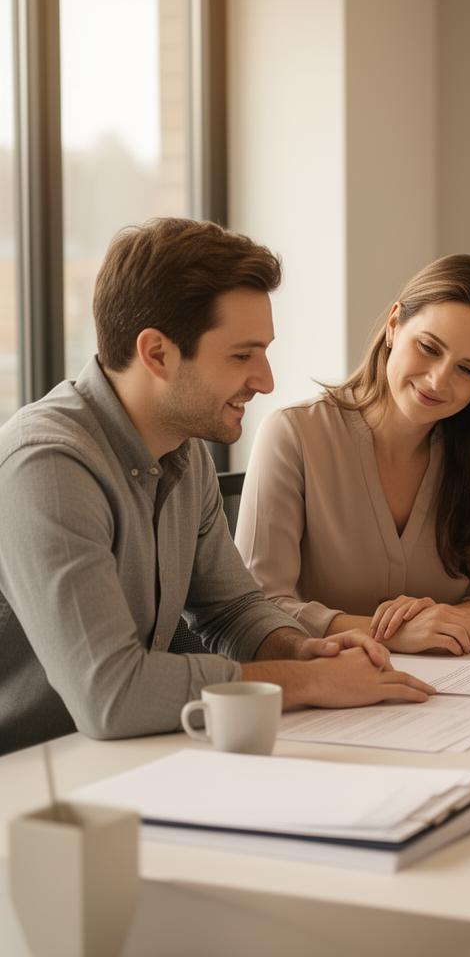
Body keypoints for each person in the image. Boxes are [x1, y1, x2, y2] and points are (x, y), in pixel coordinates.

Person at [0, 218, 432, 756]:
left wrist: (301, 651)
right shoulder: (46, 465)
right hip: (30, 774)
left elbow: (230, 609)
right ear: (157, 353)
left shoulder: (183, 453)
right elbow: (112, 695)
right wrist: (310, 683)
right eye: (241, 355)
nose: (266, 381)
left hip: (128, 756)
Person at [236, 254, 470, 655]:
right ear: (394, 325)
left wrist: (451, 623)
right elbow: (256, 609)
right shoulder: (293, 435)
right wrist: (389, 633)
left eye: (467, 370)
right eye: (428, 347)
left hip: (453, 684)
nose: (437, 380)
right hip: (328, 684)